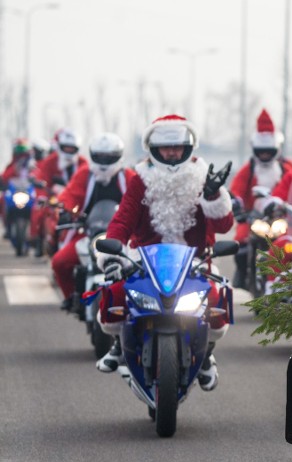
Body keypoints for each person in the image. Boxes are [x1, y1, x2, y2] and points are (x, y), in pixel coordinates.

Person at [95, 114, 234, 391]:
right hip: (146, 258)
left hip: (194, 259)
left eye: (178, 147)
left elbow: (224, 224)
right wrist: (112, 256)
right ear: (154, 149)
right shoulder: (140, 178)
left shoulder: (204, 176)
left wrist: (212, 195)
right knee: (117, 291)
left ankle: (206, 352)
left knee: (217, 301)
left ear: (188, 148)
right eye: (166, 148)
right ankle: (119, 344)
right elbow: (122, 220)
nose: (172, 153)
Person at [51, 133, 137, 310]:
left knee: (141, 264)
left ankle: (136, 301)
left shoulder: (128, 176)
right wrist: (66, 211)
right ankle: (71, 297)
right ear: (92, 155)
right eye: (100, 157)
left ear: (119, 156)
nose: (104, 161)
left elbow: (140, 200)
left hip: (122, 237)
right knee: (59, 262)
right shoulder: (84, 175)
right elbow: (69, 195)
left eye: (109, 157)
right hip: (89, 234)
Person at [229, 109, 292, 289]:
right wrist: (236, 205)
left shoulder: (287, 167)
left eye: (269, 152)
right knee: (240, 240)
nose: (265, 155)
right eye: (262, 152)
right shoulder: (248, 169)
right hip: (253, 216)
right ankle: (242, 272)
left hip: (282, 216)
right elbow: (236, 189)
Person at [30, 129, 88, 257]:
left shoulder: (84, 163)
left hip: (77, 200)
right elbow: (42, 180)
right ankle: (41, 243)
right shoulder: (50, 161)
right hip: (55, 198)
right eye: (65, 148)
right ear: (60, 147)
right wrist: (42, 196)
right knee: (40, 213)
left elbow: (89, 183)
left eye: (71, 148)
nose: (68, 151)